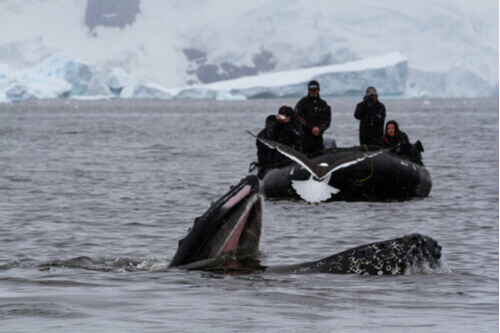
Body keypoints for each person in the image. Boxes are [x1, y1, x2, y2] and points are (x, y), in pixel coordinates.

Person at [255, 106, 302, 177]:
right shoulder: (272, 129)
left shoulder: (292, 128)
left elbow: (298, 142)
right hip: (273, 162)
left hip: (286, 160)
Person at [294, 80, 331, 156]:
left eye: (315, 90)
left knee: (319, 155)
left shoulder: (323, 104)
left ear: (318, 90)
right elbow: (297, 116)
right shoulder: (303, 103)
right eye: (311, 90)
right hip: (305, 136)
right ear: (308, 90)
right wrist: (311, 127)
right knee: (306, 155)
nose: (313, 92)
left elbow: (327, 120)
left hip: (318, 136)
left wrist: (320, 128)